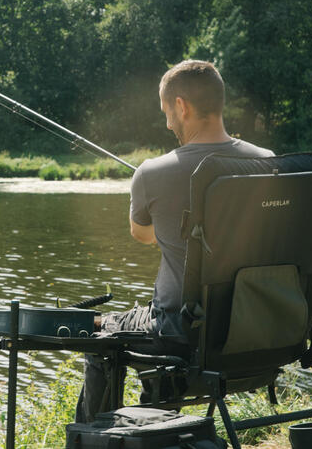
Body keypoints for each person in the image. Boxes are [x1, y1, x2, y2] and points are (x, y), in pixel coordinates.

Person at [75, 60, 273, 422]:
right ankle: (160, 418)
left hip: (181, 333)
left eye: (167, 112)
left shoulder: (152, 172)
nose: (168, 123)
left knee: (97, 332)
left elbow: (143, 235)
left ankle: (102, 438)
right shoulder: (269, 163)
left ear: (181, 106)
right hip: (260, 330)